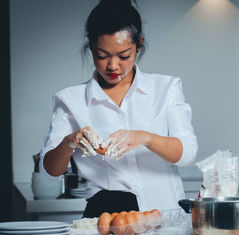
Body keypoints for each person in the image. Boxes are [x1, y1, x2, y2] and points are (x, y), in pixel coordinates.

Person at [39, 0, 198, 218]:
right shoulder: (71, 100)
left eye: (124, 56)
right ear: (91, 46)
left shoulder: (166, 88)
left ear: (139, 44)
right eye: (102, 55)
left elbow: (187, 152)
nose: (113, 66)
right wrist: (70, 141)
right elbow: (48, 172)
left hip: (165, 215)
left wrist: (145, 138)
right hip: (105, 217)